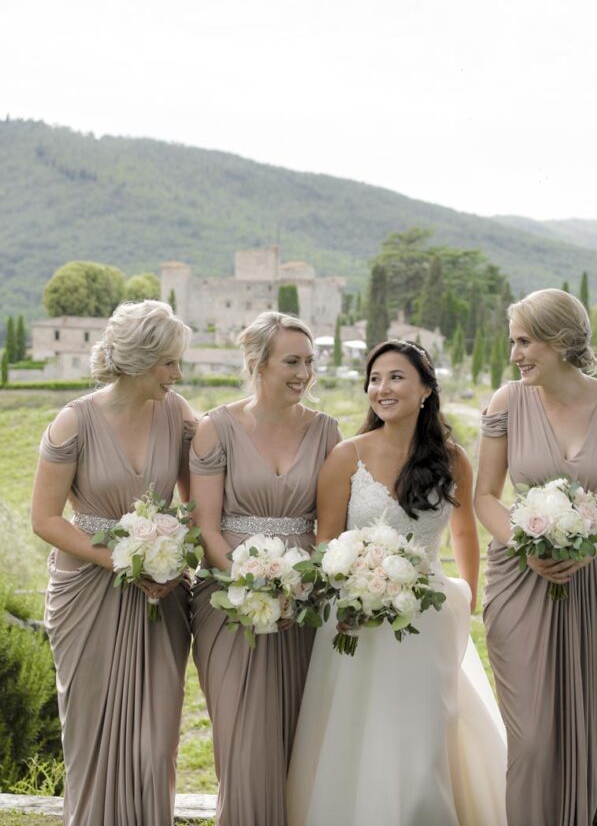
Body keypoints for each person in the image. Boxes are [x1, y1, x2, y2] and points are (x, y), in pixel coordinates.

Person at [287, 339, 507, 826]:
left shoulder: (453, 460)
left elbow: (465, 531)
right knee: (355, 729)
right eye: (375, 378)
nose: (381, 388)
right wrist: (347, 591)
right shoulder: (347, 456)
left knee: (421, 732)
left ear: (426, 388)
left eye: (396, 377)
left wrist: (466, 598)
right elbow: (325, 540)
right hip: (352, 620)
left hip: (424, 620)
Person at [474, 288, 597, 826]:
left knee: (582, 729)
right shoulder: (506, 401)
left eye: (525, 341)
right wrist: (525, 546)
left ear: (560, 341)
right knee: (531, 737)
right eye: (514, 342)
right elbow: (485, 496)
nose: (515, 355)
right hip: (519, 579)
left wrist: (591, 550)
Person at [31, 299, 197, 826]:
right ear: (138, 359)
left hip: (162, 594)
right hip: (86, 594)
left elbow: (196, 506)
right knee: (90, 735)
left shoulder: (180, 413)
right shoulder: (73, 421)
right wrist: (121, 560)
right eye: (168, 362)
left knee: (154, 743)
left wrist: (170, 554)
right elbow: (46, 519)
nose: (177, 373)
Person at [190, 310, 341, 826]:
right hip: (227, 603)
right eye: (291, 361)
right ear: (258, 363)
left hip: (304, 603)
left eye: (309, 362)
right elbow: (206, 527)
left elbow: (329, 526)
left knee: (299, 734)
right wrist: (249, 585)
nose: (303, 373)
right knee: (243, 737)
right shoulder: (216, 428)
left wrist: (299, 589)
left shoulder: (327, 432)